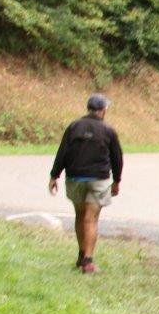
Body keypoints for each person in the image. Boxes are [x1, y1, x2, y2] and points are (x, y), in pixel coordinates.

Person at [49, 93, 123, 274]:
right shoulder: (108, 130)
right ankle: (88, 262)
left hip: (75, 178)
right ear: (103, 110)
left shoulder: (74, 126)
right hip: (98, 179)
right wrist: (117, 180)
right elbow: (117, 158)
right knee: (91, 219)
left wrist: (54, 176)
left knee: (80, 216)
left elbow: (62, 152)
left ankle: (82, 254)